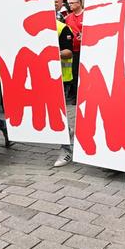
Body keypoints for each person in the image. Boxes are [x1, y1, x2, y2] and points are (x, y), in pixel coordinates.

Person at [54, 19, 75, 167]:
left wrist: (51, 52)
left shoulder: (62, 28)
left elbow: (68, 52)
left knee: (58, 115)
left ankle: (66, 150)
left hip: (61, 78)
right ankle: (67, 131)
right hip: (41, 77)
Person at [64, 0, 84, 105]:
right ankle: (77, 97)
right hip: (73, 50)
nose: (70, 4)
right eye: (69, 3)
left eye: (72, 3)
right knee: (75, 74)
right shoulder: (67, 18)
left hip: (85, 49)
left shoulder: (87, 15)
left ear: (79, 3)